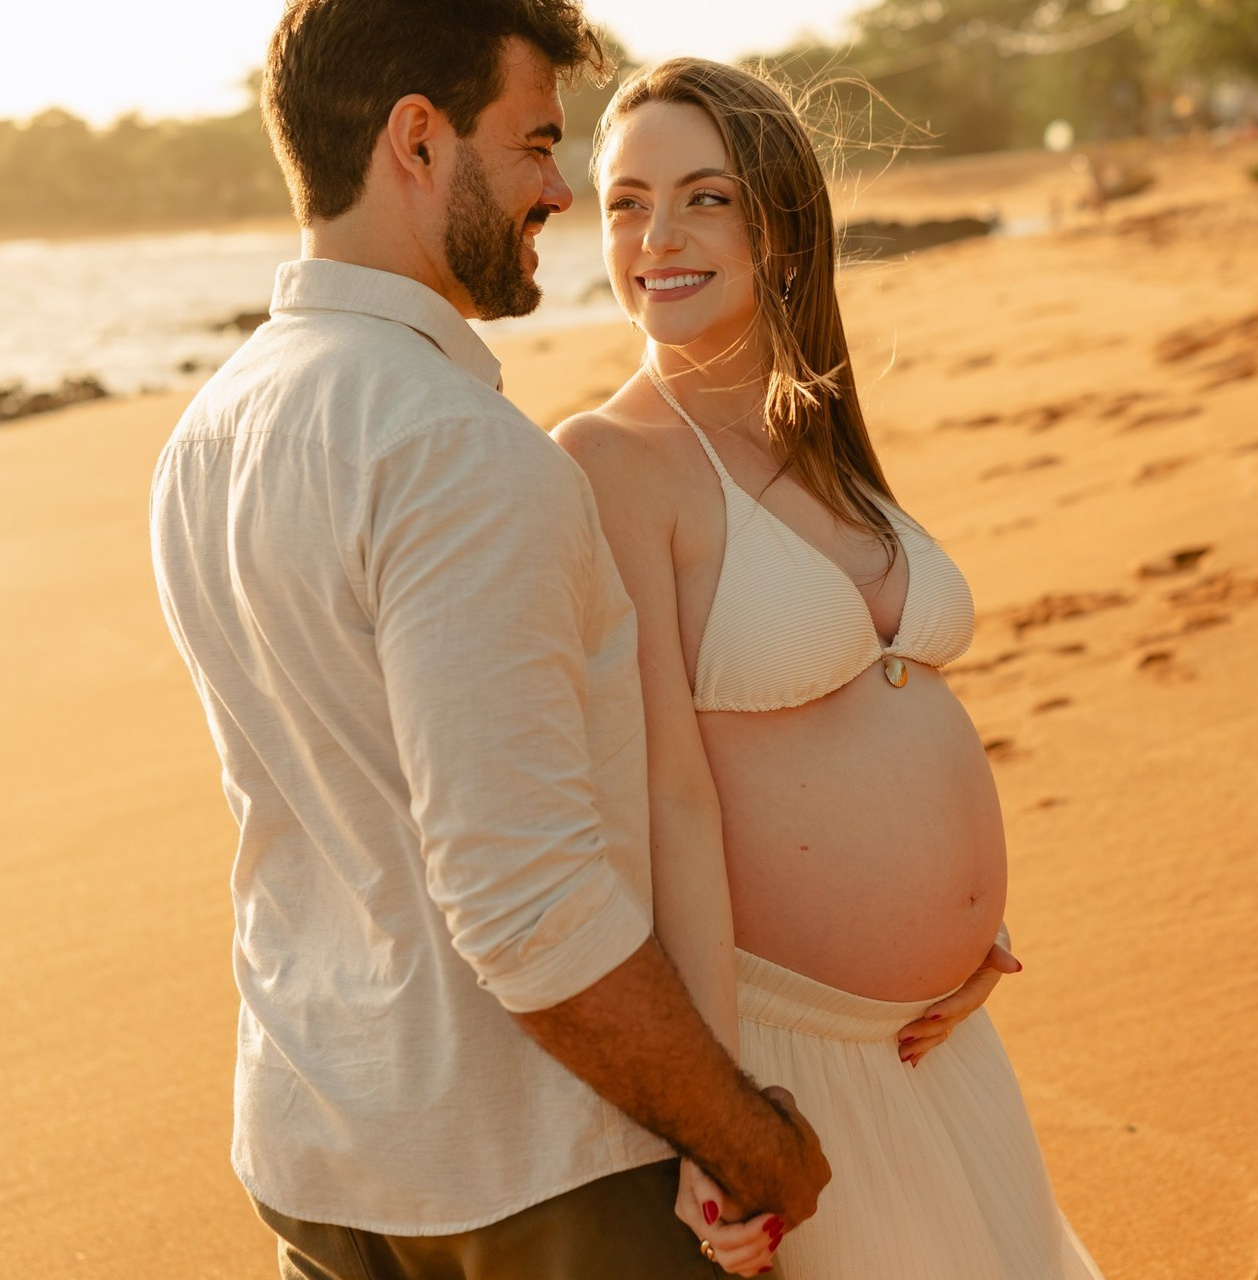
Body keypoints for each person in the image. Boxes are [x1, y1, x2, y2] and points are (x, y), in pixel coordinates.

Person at [149, 8, 831, 1279]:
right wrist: (744, 1132)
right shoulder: (454, 448)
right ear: (418, 140)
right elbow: (522, 897)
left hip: (318, 1157)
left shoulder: (208, 432)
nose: (558, 193)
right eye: (532, 143)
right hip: (530, 1181)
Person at [554, 58, 1106, 1279]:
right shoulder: (607, 460)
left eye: (704, 196)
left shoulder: (815, 427)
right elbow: (672, 801)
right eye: (624, 201)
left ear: (779, 220)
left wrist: (964, 917)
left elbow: (879, 706)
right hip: (800, 1069)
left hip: (937, 1043)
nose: (656, 237)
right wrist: (718, 1111)